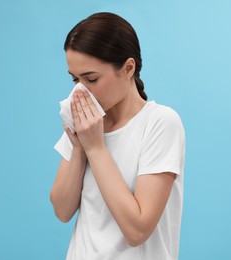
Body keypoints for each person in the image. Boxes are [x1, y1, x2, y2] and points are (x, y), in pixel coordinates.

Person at [50, 12, 185, 260]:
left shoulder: (160, 123)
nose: (80, 91)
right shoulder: (86, 122)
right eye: (74, 79)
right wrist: (79, 148)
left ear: (128, 68)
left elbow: (137, 230)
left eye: (91, 78)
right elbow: (62, 210)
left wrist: (96, 148)